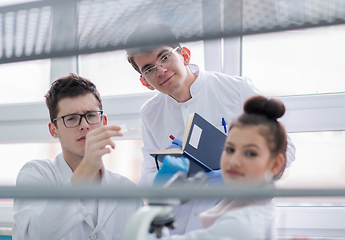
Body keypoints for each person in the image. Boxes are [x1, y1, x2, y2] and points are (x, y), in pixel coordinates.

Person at [125, 23, 296, 234]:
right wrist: (164, 181)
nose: (161, 70)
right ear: (145, 83)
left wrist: (236, 179)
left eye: (165, 57)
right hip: (181, 228)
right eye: (149, 69)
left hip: (234, 220)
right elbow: (148, 177)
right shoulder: (151, 113)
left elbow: (285, 150)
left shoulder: (236, 89)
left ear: (185, 55)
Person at [12, 73, 143, 240]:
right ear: (53, 130)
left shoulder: (127, 190)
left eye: (91, 115)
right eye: (72, 118)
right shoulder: (36, 175)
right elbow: (33, 235)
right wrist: (86, 169)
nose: (85, 125)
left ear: (103, 122)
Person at [147, 95, 287, 240]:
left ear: (276, 164)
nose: (234, 161)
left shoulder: (239, 225)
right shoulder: (245, 204)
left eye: (250, 153)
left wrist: (158, 204)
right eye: (230, 149)